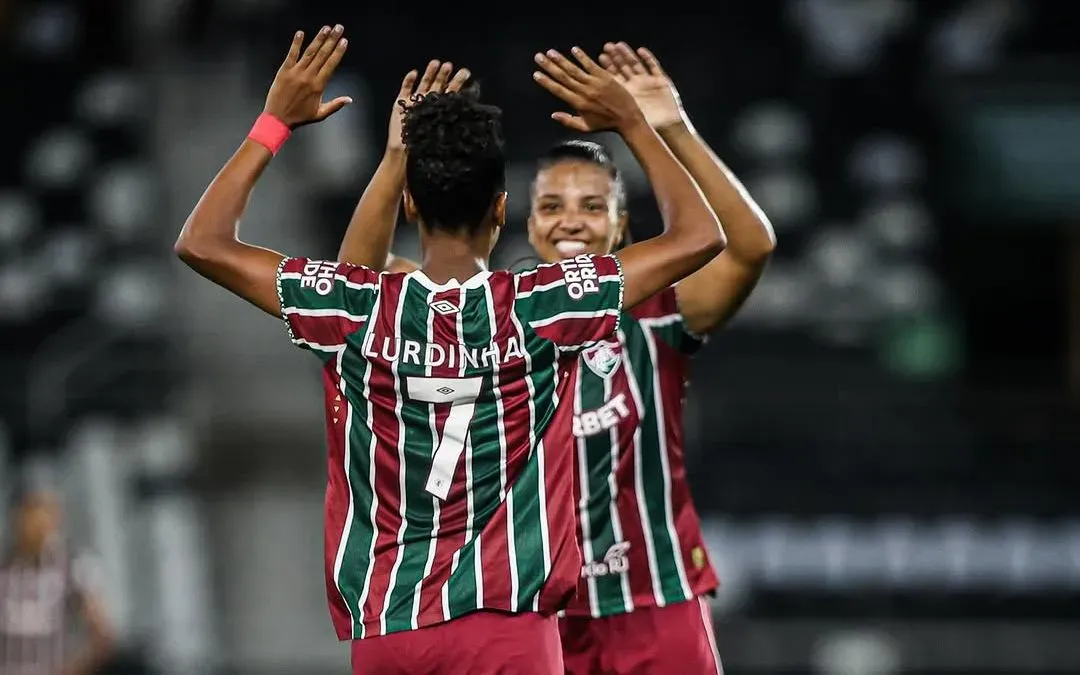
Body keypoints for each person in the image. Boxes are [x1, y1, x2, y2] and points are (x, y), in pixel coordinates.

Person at [173, 26, 725, 675]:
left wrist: (277, 124)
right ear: (500, 210)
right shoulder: (542, 304)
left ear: (409, 201)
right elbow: (699, 234)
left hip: (390, 631)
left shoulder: (359, 307)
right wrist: (634, 121)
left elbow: (202, 242)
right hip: (508, 629)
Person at [336, 43, 774, 674]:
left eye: (594, 206)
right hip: (532, 610)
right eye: (553, 206)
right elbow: (361, 281)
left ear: (622, 227)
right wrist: (401, 157)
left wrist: (668, 128)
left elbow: (748, 247)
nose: (573, 220)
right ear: (524, 222)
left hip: (650, 601)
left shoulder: (655, 313)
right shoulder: (485, 312)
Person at [1, 479, 114, 675]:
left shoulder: (75, 564)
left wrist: (70, 669)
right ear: (17, 516)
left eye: (51, 512)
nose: (45, 520)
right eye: (37, 510)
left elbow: (102, 635)